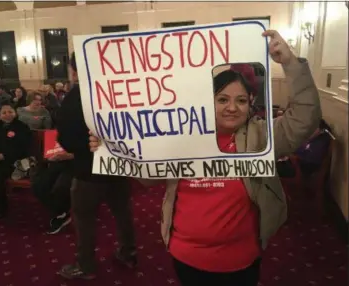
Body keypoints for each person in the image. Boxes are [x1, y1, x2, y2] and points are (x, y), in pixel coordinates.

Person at [89, 30, 322, 286]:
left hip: (241, 260)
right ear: (206, 101)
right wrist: (111, 147)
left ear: (250, 103)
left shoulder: (261, 135)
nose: (232, 107)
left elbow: (304, 119)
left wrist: (290, 63)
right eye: (222, 99)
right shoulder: (180, 133)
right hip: (186, 257)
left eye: (241, 100)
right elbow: (147, 180)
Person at [56, 52, 137, 280]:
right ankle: (128, 253)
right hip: (119, 166)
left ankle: (86, 265)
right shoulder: (118, 91)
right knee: (123, 212)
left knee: (84, 218)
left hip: (87, 171)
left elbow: (66, 140)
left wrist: (83, 145)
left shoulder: (75, 97)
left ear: (73, 71)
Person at [31, 151, 74, 234]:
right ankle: (61, 213)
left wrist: (72, 155)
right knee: (38, 186)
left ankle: (61, 213)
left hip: (80, 164)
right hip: (58, 160)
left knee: (61, 186)